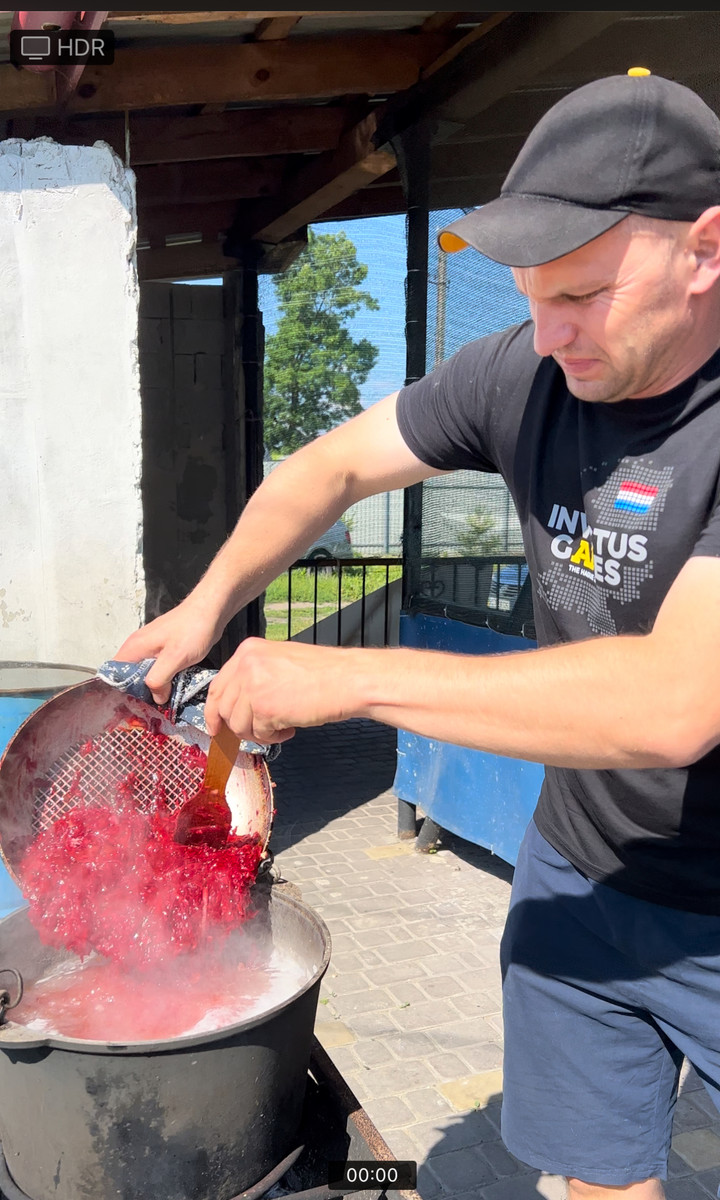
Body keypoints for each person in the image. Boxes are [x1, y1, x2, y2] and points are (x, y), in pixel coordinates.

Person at [118, 72, 720, 1200]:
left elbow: (674, 703)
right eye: (532, 296)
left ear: (706, 249)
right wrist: (208, 605)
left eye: (584, 294)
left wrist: (344, 680)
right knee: (591, 1183)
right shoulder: (527, 371)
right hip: (582, 874)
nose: (549, 334)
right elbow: (330, 468)